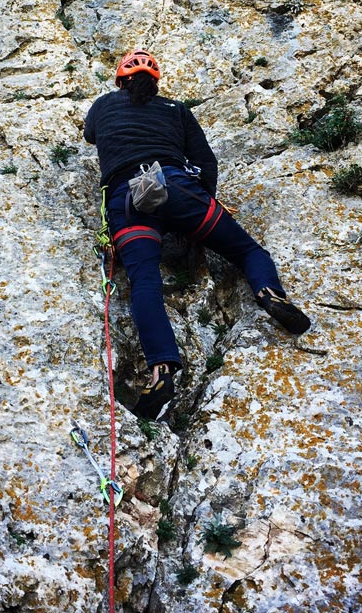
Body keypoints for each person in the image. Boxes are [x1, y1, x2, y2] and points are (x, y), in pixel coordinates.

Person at [84, 49, 311, 420]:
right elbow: (206, 161)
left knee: (144, 280)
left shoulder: (104, 105)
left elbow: (92, 135)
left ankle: (161, 371)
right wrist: (207, 201)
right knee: (246, 251)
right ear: (155, 83)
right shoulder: (176, 110)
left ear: (120, 79)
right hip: (178, 189)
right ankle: (270, 294)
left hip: (128, 197)